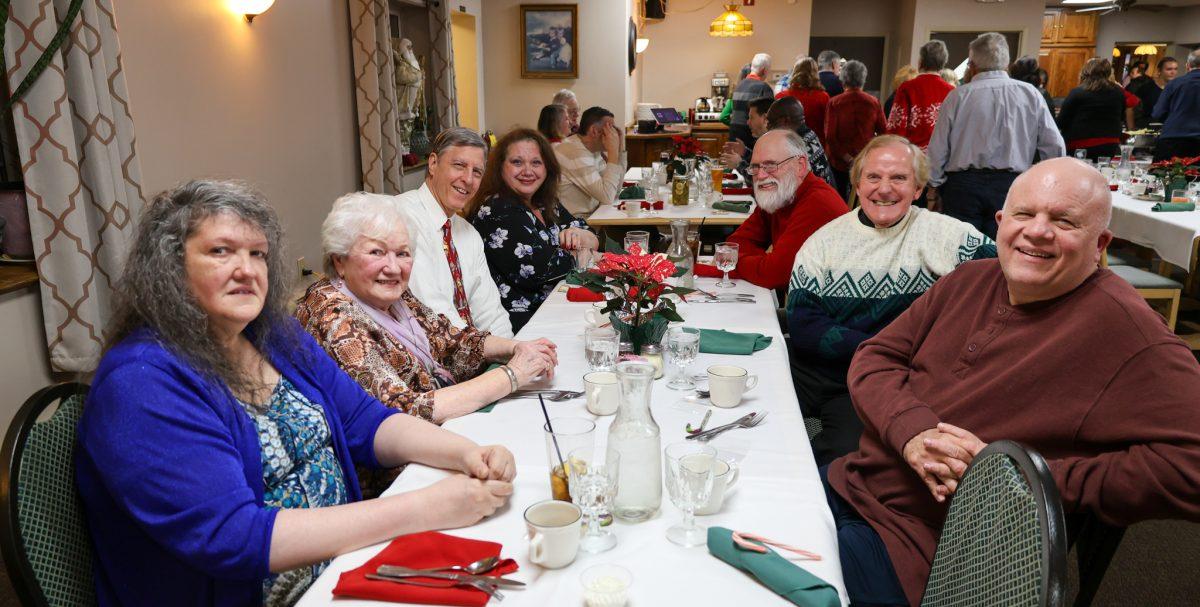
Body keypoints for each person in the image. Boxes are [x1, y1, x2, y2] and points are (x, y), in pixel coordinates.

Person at [76, 180, 519, 605]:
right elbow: (234, 538)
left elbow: (366, 420)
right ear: (169, 267)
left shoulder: (272, 335)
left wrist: (465, 453)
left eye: (258, 254)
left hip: (343, 565)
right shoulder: (140, 382)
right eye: (220, 251)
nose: (246, 269)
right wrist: (424, 508)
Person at [823, 157, 1200, 606]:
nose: (1037, 231)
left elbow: (1192, 467)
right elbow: (875, 356)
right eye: (1024, 214)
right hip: (851, 486)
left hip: (924, 554)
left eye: (1064, 221)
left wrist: (1029, 477)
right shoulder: (969, 279)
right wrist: (912, 431)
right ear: (1000, 222)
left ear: (1100, 243)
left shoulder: (1129, 334)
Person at [787, 136, 995, 467]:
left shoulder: (949, 235)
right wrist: (883, 349)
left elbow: (1005, 274)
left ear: (918, 188)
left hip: (912, 383)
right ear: (857, 183)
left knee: (852, 461)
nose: (884, 189)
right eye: (873, 177)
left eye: (898, 178)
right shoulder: (823, 243)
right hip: (842, 376)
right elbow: (803, 325)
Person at [296, 191, 558, 427]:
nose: (393, 267)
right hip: (394, 468)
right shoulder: (332, 315)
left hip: (441, 429)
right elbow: (404, 411)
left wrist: (516, 348)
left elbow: (451, 341)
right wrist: (512, 375)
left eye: (402, 253)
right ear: (339, 261)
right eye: (376, 252)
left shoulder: (392, 297)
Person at [927, 32, 1065, 239]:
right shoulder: (1031, 94)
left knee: (958, 250)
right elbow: (1054, 147)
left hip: (963, 186)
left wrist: (934, 186)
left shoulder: (958, 96)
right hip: (1011, 185)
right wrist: (1047, 185)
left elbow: (938, 148)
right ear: (1006, 64)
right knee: (1004, 251)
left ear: (971, 64)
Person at [469, 129, 598, 332]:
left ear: (547, 168)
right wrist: (583, 252)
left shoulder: (545, 202)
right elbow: (540, 271)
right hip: (526, 326)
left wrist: (584, 239)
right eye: (517, 162)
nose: (528, 171)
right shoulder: (496, 210)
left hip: (560, 308)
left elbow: (590, 234)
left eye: (536, 162)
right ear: (500, 168)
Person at [392, 128, 513, 339]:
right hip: (428, 356)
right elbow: (434, 314)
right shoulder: (401, 218)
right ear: (433, 164)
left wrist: (509, 350)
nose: (468, 179)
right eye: (459, 165)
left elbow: (490, 312)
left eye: (477, 172)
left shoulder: (469, 233)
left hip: (472, 352)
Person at [699, 129, 846, 290]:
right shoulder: (781, 195)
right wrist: (762, 261)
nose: (761, 176)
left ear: (800, 166)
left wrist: (738, 261)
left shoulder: (818, 204)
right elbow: (735, 244)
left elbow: (774, 275)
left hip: (828, 313)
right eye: (755, 167)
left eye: (770, 166)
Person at [824, 60, 887, 199]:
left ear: (843, 79)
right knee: (863, 198)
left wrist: (847, 157)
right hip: (864, 159)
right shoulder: (873, 102)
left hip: (838, 161)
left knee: (839, 198)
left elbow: (830, 136)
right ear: (863, 79)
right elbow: (884, 132)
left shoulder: (834, 103)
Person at [554, 106, 627, 218]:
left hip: (595, 218)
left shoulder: (593, 150)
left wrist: (620, 149)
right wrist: (613, 152)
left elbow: (615, 191)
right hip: (575, 226)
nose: (614, 134)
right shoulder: (575, 152)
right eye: (610, 129)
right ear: (594, 131)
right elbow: (607, 197)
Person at [888, 41, 956, 152]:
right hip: (942, 157)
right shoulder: (952, 91)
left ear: (921, 62)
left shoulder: (907, 88)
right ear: (943, 64)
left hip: (913, 156)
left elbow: (896, 127)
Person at [1057, 58, 1129, 161]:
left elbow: (1061, 121)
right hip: (1109, 144)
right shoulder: (1118, 92)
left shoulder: (1078, 92)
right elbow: (1122, 117)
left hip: (1080, 145)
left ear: (1086, 72)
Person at [766, 97, 838, 189]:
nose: (767, 127)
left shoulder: (793, 148)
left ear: (785, 121)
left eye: (770, 122)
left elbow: (775, 187)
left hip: (816, 200)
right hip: (827, 196)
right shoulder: (809, 134)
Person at [1151, 49, 1200, 161]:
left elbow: (1158, 113)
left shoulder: (1175, 84)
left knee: (1163, 176)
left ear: (1188, 66)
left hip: (1173, 139)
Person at [775, 57, 830, 147]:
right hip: (815, 146)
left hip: (787, 145)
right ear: (815, 74)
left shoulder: (781, 96)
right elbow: (827, 126)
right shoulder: (823, 97)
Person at [729, 52, 774, 148]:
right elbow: (770, 117)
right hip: (751, 138)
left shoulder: (738, 85)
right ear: (764, 70)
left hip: (734, 135)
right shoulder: (763, 87)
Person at [1129, 56, 1178, 129]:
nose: (1173, 72)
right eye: (1169, 69)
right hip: (1147, 129)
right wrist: (1131, 129)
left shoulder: (1178, 89)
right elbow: (1130, 108)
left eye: (1175, 69)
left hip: (1168, 131)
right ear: (1159, 71)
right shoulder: (1147, 87)